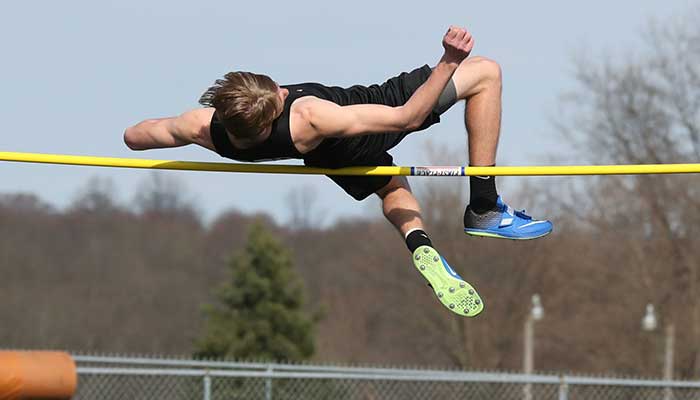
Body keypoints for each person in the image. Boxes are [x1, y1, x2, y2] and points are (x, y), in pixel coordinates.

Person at [124, 26, 552, 317]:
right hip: (358, 123)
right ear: (275, 112)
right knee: (486, 74)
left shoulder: (206, 130)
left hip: (327, 159)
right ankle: (483, 207)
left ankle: (419, 244)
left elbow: (136, 136)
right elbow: (405, 117)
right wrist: (448, 61)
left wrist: (157, 132)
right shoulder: (310, 115)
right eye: (279, 95)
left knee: (392, 191)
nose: (285, 89)